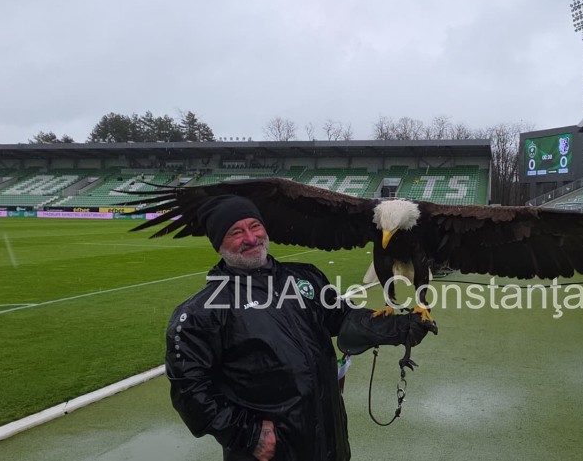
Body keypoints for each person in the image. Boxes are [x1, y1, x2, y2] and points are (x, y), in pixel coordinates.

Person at [165, 195, 437, 461]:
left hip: (331, 444)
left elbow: (343, 319)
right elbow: (189, 392)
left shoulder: (305, 277)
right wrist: (246, 434)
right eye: (236, 232)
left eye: (255, 226)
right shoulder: (202, 312)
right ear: (218, 243)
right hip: (275, 451)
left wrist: (398, 327)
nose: (251, 238)